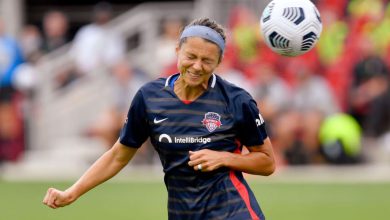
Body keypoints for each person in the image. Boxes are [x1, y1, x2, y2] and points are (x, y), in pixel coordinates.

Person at [43, 18, 276, 220]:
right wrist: (72, 192)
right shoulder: (149, 97)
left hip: (233, 210)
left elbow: (267, 162)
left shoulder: (237, 100)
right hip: (181, 212)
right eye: (191, 56)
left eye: (207, 61)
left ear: (219, 61)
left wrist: (224, 158)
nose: (196, 66)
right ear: (177, 51)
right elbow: (117, 156)